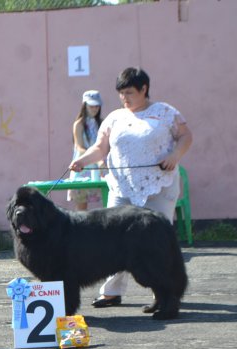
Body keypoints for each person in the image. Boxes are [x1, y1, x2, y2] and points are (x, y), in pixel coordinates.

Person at [69, 67, 192, 309]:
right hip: (122, 188)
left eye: (129, 92)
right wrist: (82, 161)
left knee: (155, 243)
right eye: (121, 93)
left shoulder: (165, 112)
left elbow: (186, 136)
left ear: (144, 89)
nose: (124, 98)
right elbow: (100, 148)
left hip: (159, 187)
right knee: (111, 241)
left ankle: (163, 294)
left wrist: (175, 155)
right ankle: (111, 292)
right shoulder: (115, 118)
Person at [67, 90, 104, 210]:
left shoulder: (101, 123)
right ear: (85, 105)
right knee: (81, 207)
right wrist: (94, 158)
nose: (94, 109)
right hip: (82, 167)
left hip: (98, 168)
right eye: (91, 106)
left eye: (97, 106)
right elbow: (79, 147)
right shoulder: (79, 124)